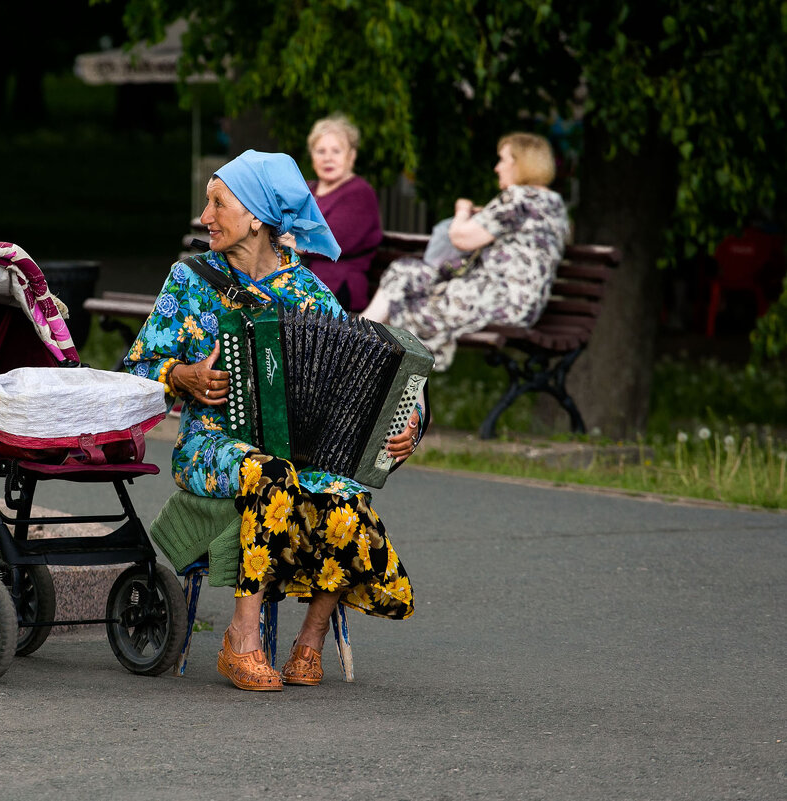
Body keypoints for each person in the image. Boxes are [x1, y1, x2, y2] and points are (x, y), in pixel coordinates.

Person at [124, 150, 422, 692]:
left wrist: (408, 425)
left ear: (257, 217)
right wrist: (182, 375)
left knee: (345, 492)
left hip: (294, 453)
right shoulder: (190, 279)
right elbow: (136, 369)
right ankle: (241, 638)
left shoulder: (308, 293)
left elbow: (367, 378)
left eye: (218, 203)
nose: (205, 216)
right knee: (271, 473)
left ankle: (310, 640)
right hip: (210, 445)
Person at [361, 132, 571, 371]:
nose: (497, 167)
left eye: (503, 160)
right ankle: (362, 337)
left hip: (495, 301)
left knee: (404, 300)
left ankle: (359, 343)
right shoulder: (552, 203)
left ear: (522, 164)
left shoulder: (518, 198)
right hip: (516, 305)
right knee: (404, 272)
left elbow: (461, 238)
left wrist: (462, 210)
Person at [303, 115, 383, 312]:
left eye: (336, 151)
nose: (327, 158)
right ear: (312, 156)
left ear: (351, 156)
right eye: (321, 151)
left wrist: (288, 237)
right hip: (301, 282)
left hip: (336, 288)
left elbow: (328, 241)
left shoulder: (359, 193)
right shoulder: (307, 189)